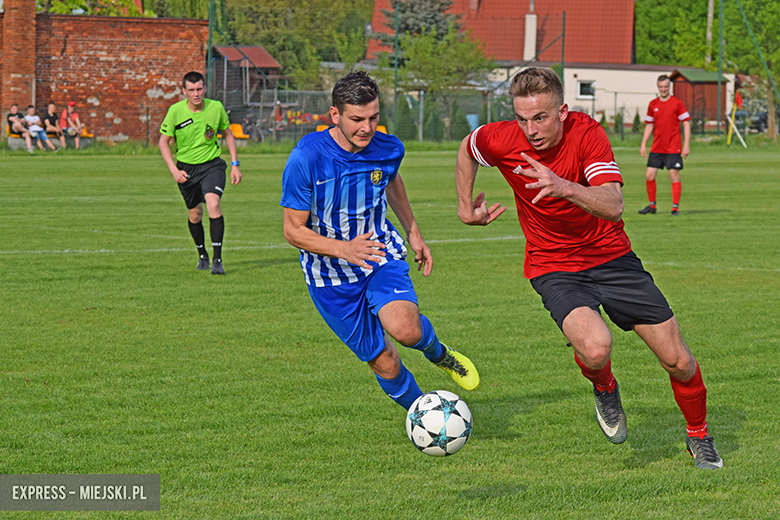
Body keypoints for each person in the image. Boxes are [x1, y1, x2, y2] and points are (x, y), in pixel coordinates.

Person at [455, 67, 722, 469]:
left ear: (562, 111)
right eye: (522, 119)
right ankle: (605, 387)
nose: (531, 130)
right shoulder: (502, 138)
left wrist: (562, 185)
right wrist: (464, 208)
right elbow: (467, 147)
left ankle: (699, 436)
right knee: (596, 349)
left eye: (541, 117)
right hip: (553, 264)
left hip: (613, 258)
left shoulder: (587, 134)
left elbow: (613, 204)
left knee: (678, 360)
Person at [280, 71, 479, 411]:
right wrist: (344, 249)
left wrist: (413, 232)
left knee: (406, 330)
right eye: (357, 120)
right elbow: (292, 230)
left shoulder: (389, 148)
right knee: (384, 361)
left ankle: (440, 354)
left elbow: (391, 180)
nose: (367, 128)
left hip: (377, 254)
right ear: (335, 115)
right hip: (329, 277)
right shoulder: (307, 158)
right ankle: (424, 415)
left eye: (373, 117)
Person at [159, 71, 242, 275]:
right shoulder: (175, 111)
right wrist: (174, 170)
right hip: (186, 169)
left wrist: (235, 164)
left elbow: (228, 134)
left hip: (212, 166)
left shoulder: (216, 107)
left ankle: (217, 260)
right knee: (195, 215)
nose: (196, 94)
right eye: (191, 90)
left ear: (204, 88)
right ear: (184, 91)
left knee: (213, 204)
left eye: (199, 89)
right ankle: (202, 255)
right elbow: (163, 142)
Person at [639, 75, 691, 216]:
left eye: (666, 86)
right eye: (661, 87)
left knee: (674, 175)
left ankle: (675, 208)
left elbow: (686, 123)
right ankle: (652, 206)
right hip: (657, 148)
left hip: (673, 147)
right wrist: (643, 144)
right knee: (649, 175)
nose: (663, 89)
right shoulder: (653, 104)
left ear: (670, 87)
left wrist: (686, 145)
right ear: (658, 87)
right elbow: (650, 125)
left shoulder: (677, 103)